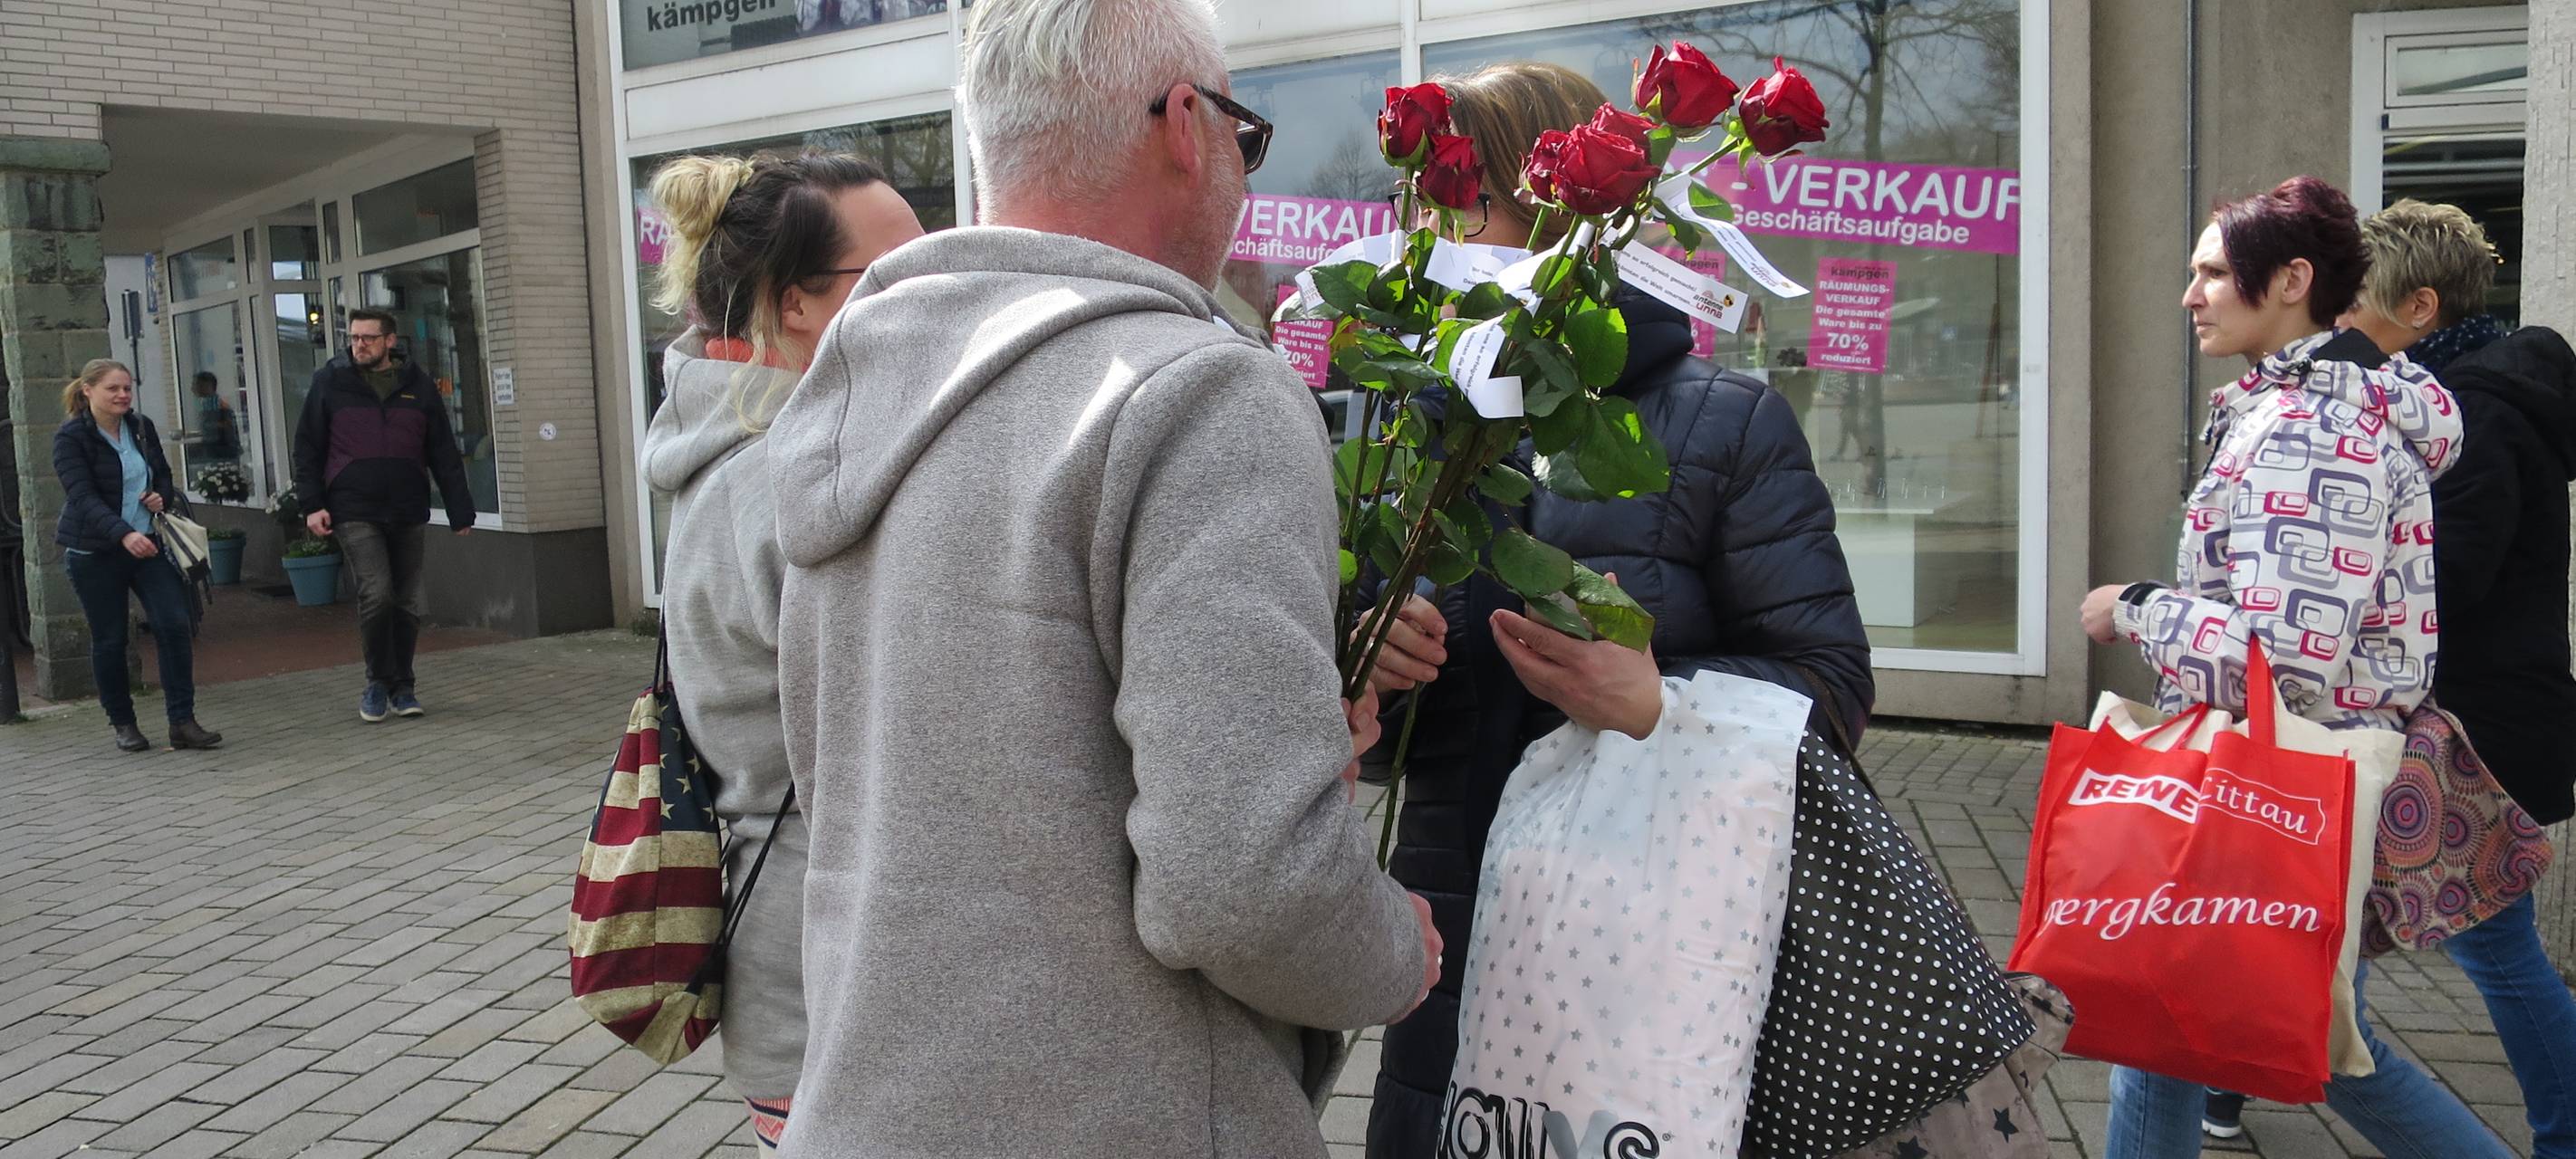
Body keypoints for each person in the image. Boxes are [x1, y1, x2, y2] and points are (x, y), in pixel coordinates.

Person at [761, 0, 1438, 1153]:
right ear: (1186, 123)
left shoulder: (859, 395)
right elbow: (1245, 887)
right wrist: (1387, 945)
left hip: (874, 1109)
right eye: (1243, 131)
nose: (1239, 162)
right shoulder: (1198, 392)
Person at [1356, 62, 1874, 1159]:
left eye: (1467, 201)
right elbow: (1387, 719)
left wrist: (1657, 705)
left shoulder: (1723, 424)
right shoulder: (1426, 419)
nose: (1439, 234)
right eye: (1428, 202)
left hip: (1646, 946)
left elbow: (1831, 686)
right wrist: (1365, 655)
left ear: (1564, 204)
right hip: (1450, 939)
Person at [2078, 177, 2506, 1159]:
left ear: (2293, 280)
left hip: (2279, 770)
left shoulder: (2313, 430)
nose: (2191, 294)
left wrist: (2135, 607)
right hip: (2276, 771)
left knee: (2302, 1043)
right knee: (2199, 1031)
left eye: (2215, 272)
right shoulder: (2307, 407)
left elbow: (2288, 660)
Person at [639, 148, 924, 1148]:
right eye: (895, 275)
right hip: (842, 987)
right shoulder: (795, 487)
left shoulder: (731, 458)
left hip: (794, 961)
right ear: (794, 302)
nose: (932, 294)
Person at [2322, 197, 2576, 1159]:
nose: (2342, 325)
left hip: (2477, 732)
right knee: (2331, 913)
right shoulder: (2451, 399)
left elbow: (2444, 580)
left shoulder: (2472, 416)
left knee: (2495, 950)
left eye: (2358, 305)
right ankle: (2236, 1071)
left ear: (2421, 306)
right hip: (2451, 720)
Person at [292, 306, 476, 723]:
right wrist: (312, 504)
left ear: (390, 341)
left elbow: (442, 451)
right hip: (353, 507)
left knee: (407, 601)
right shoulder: (330, 383)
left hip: (407, 506)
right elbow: (307, 448)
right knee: (377, 594)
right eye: (355, 338)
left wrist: (459, 508)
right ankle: (377, 682)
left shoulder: (418, 386)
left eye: (368, 338)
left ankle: (403, 686)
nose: (359, 345)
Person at [51, 359, 224, 752]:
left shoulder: (140, 427)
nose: (122, 395)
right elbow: (83, 498)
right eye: (113, 388)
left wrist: (159, 495)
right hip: (95, 552)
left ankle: (183, 722)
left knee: (174, 625)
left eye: (127, 388)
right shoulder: (71, 437)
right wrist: (123, 534)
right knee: (110, 639)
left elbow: (162, 474)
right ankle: (123, 723)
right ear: (88, 391)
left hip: (148, 545)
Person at [190, 370, 238, 463]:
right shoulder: (205, 404)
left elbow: (223, 427)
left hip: (220, 455)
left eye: (196, 384)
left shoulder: (219, 405)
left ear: (207, 386)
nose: (192, 388)